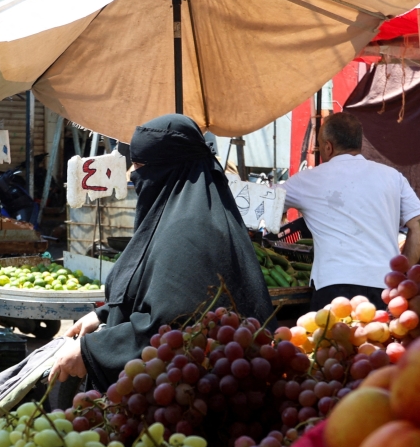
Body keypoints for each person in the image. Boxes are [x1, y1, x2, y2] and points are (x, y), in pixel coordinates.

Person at [51, 114, 274, 390]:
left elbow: (170, 327)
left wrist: (91, 350)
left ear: (169, 169)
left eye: (141, 166)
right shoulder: (187, 213)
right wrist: (104, 314)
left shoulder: (190, 231)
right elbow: (152, 290)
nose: (134, 175)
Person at [283, 112, 420, 310]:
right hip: (385, 288)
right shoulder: (392, 177)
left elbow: (262, 203)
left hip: (333, 289)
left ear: (328, 147)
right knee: (380, 340)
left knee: (333, 342)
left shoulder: (307, 180)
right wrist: (404, 270)